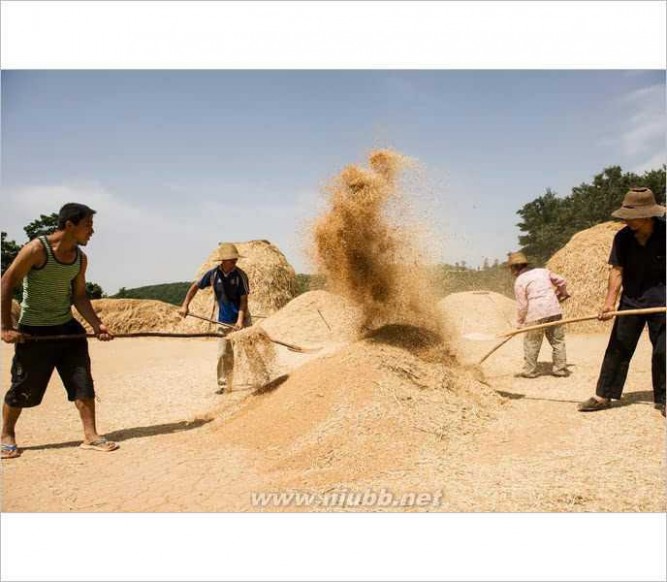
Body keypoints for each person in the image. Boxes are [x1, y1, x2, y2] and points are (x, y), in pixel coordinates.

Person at [1, 203, 118, 460]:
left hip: (67, 329)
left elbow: (79, 296)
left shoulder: (79, 258)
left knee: (82, 381)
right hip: (35, 331)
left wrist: (96, 325)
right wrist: (6, 327)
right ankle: (7, 435)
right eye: (88, 225)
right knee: (23, 386)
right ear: (69, 225)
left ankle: (90, 435)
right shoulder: (36, 250)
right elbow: (6, 282)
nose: (92, 231)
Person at [578, 187, 666, 417]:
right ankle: (603, 395)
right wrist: (609, 303)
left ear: (647, 215)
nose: (626, 220)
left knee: (664, 350)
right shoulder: (623, 238)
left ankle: (665, 398)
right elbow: (617, 271)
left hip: (663, 301)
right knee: (618, 347)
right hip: (632, 301)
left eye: (631, 216)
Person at [178, 243, 251, 394]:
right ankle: (224, 385)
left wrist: (240, 321)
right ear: (223, 261)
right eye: (232, 260)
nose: (235, 262)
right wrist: (185, 305)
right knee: (223, 353)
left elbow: (244, 302)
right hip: (223, 320)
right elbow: (195, 287)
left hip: (241, 318)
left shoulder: (240, 276)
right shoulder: (212, 275)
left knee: (250, 349)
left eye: (235, 260)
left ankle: (261, 376)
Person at [508, 251, 570, 378]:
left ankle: (530, 371)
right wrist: (562, 292)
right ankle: (560, 369)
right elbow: (562, 281)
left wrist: (519, 322)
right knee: (558, 341)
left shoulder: (520, 281)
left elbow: (523, 305)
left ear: (514, 268)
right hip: (554, 310)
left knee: (531, 342)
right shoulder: (543, 271)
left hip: (535, 314)